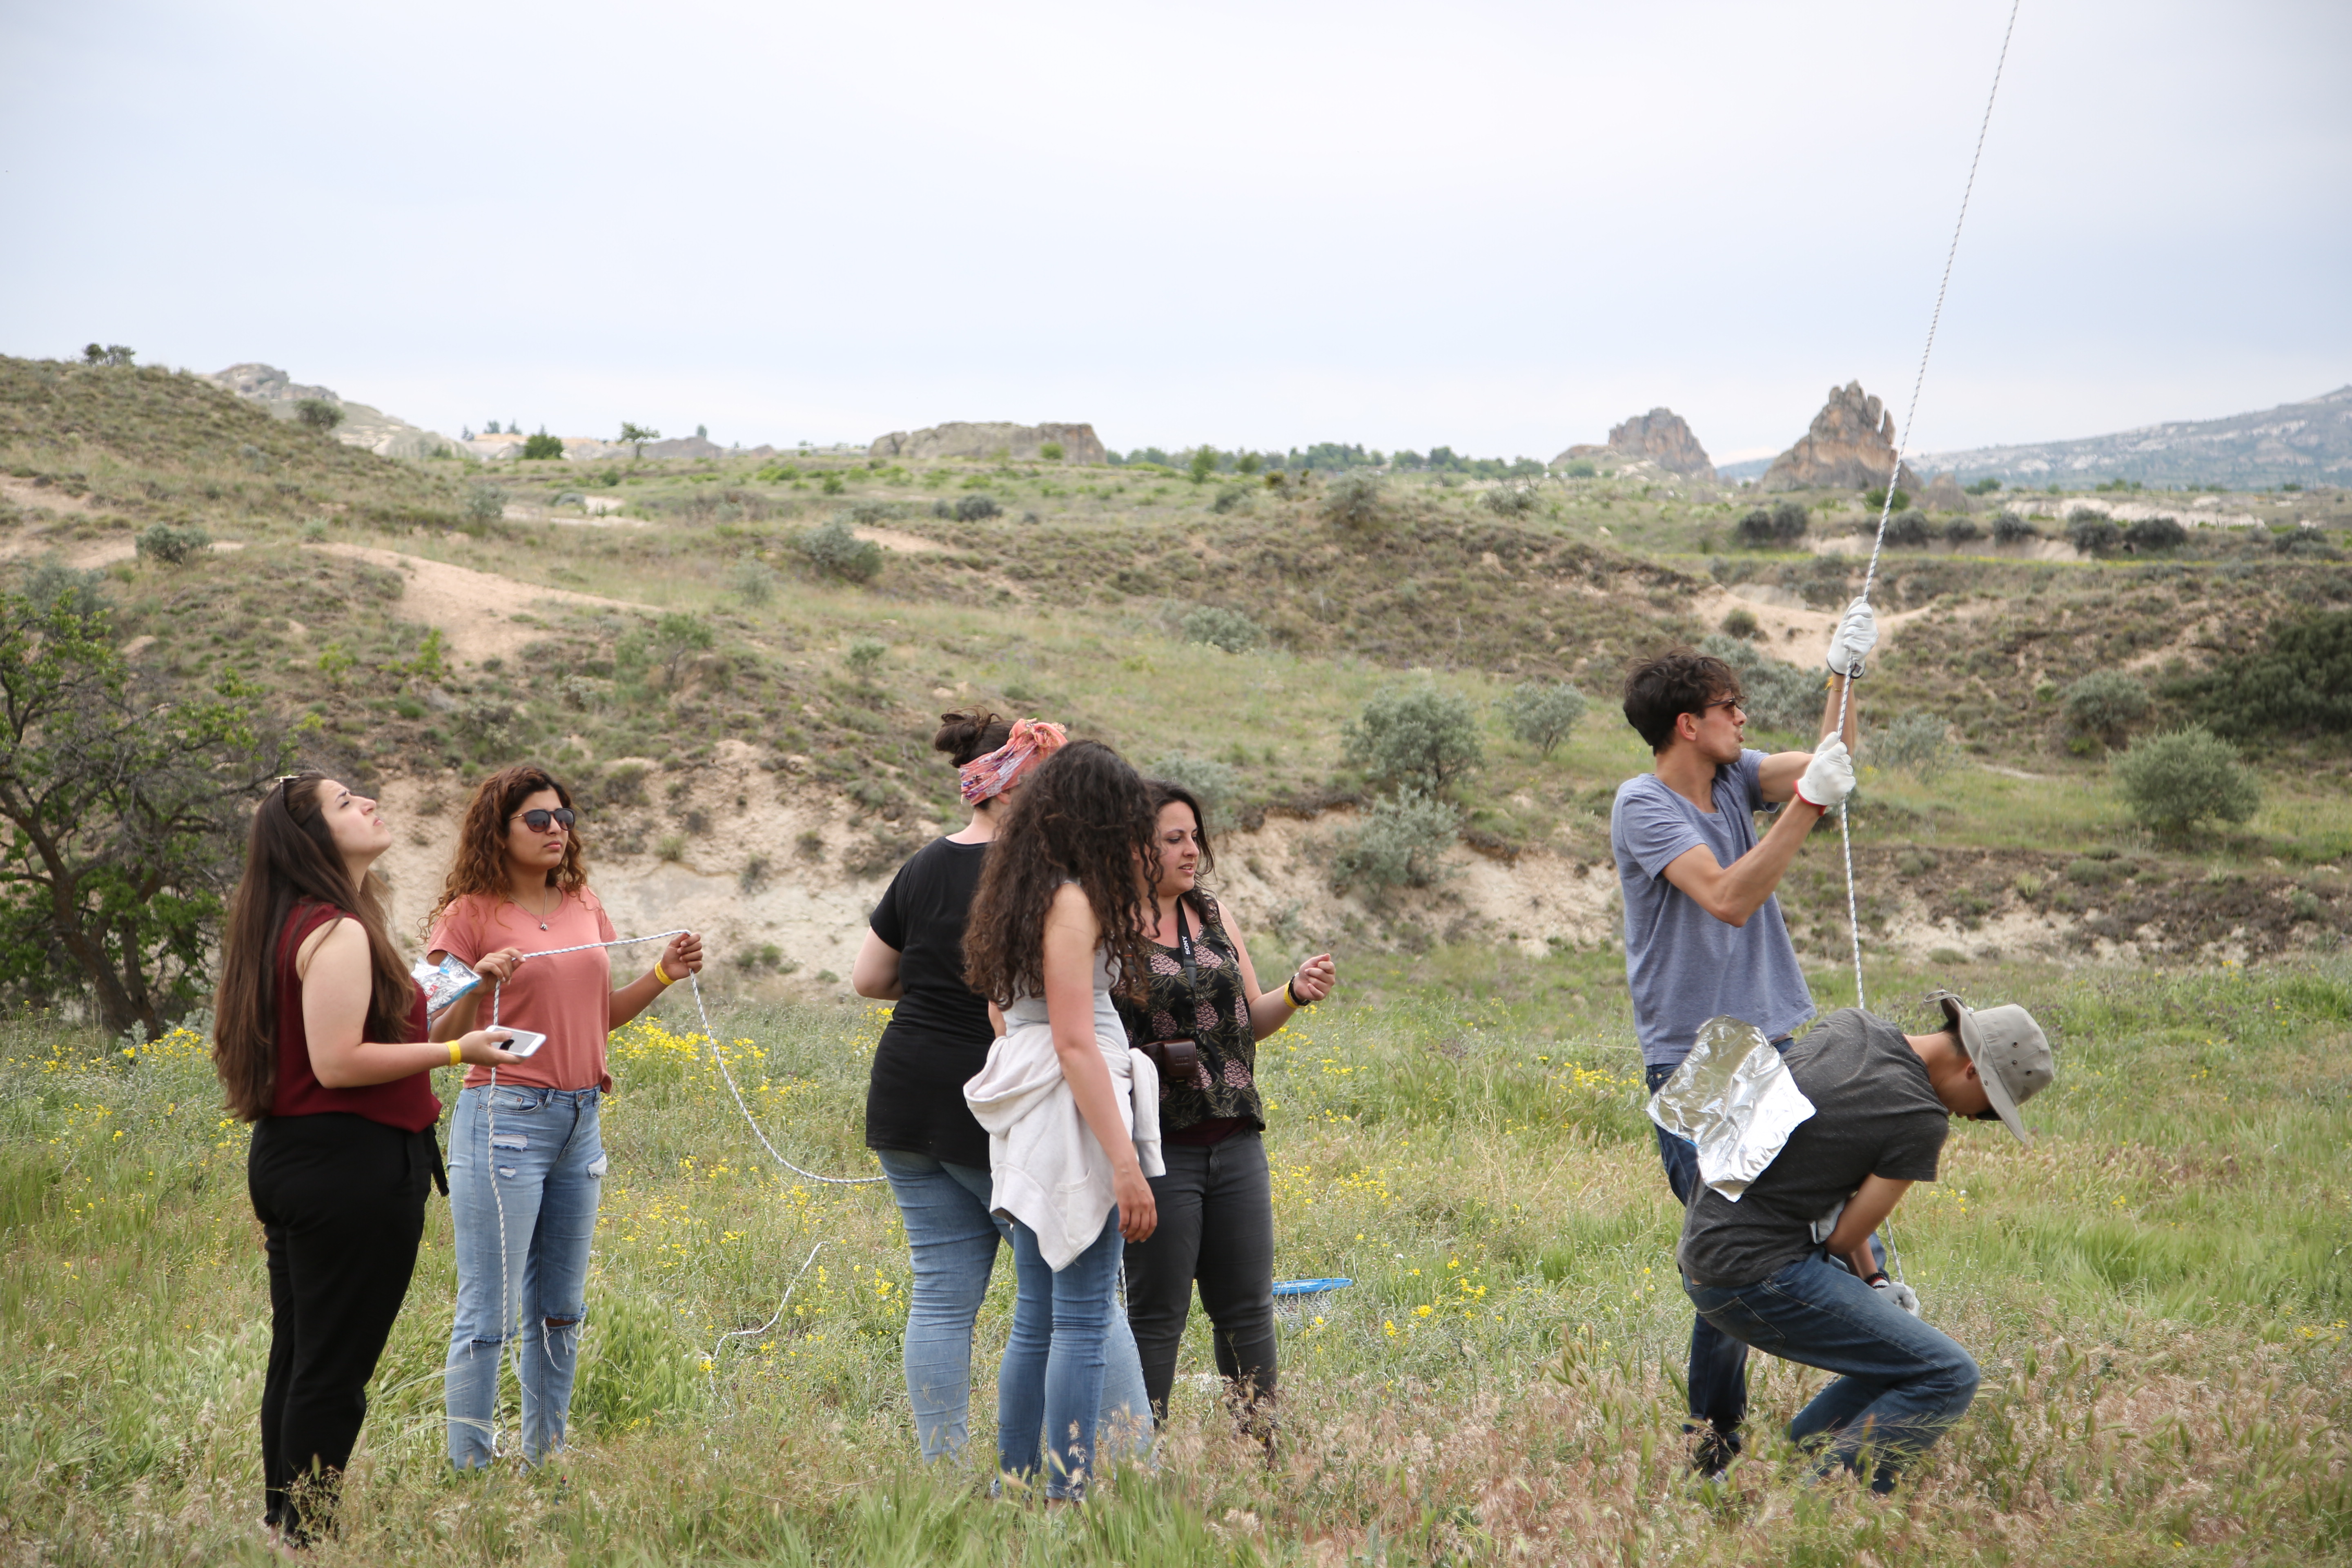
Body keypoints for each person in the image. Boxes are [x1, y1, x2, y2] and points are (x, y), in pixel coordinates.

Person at [210, 773, 523, 1541]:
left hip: (299, 1157)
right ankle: (307, 1537)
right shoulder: (339, 931)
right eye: (346, 802)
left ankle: (284, 1526)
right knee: (333, 1371)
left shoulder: (289, 923)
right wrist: (461, 1051)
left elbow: (360, 1042)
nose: (369, 804)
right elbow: (340, 1062)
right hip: (350, 1167)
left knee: (302, 1356)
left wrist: (460, 999)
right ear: (313, 837)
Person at [1609, 599, 1873, 1475]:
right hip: (1700, 1060)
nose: (1744, 719)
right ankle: (1713, 1442)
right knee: (1730, 1253)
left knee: (1809, 1212)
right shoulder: (1643, 806)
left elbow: (1832, 763)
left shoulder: (1734, 780)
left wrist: (1843, 675)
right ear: (1689, 725)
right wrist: (1806, 806)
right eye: (1730, 708)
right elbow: (1727, 897)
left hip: (1774, 1040)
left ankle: (1879, 1341)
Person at [851, 712, 1151, 1464]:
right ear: (1022, 789)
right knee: (1080, 1294)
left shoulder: (925, 865)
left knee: (941, 1295)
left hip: (903, 1091)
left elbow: (869, 978)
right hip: (999, 1101)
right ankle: (1133, 1457)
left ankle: (946, 1468)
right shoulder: (1047, 879)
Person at [424, 764, 704, 1470]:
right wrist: (477, 979)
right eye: (539, 819)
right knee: (487, 1315)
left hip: (582, 1119)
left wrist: (664, 974)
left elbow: (596, 1015)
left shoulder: (583, 903)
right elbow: (432, 1032)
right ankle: (470, 1472)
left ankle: (544, 1463)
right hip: (504, 1117)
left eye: (565, 818)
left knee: (561, 1311)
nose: (557, 830)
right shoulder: (467, 916)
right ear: (499, 831)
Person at [1677, 992, 2055, 1491]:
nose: (1974, 1119)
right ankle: (1816, 1511)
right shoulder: (1922, 1119)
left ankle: (1748, 1489)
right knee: (1948, 1374)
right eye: (1989, 1107)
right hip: (1754, 1274)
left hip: (1705, 1249)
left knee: (1901, 1362)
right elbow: (1844, 1237)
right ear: (1973, 1072)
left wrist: (1874, 1281)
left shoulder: (1851, 1027)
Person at [961, 740, 1163, 1502]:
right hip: (1076, 1111)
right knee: (1079, 1318)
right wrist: (1125, 1164)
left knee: (1036, 1317)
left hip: (1036, 1110)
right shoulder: (1073, 901)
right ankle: (1065, 1496)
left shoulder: (1020, 893)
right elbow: (1076, 1042)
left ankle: (1016, 1485)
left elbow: (1004, 1014)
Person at [1116, 780, 1334, 1437]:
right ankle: (1139, 1459)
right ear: (1135, 848)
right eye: (1173, 839)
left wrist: (1293, 993)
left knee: (1247, 1310)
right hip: (1159, 1149)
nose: (1192, 851)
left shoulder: (1211, 914)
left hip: (1236, 1138)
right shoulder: (1103, 927)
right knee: (1156, 1317)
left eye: (1195, 837)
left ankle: (1259, 1453)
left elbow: (1250, 1018)